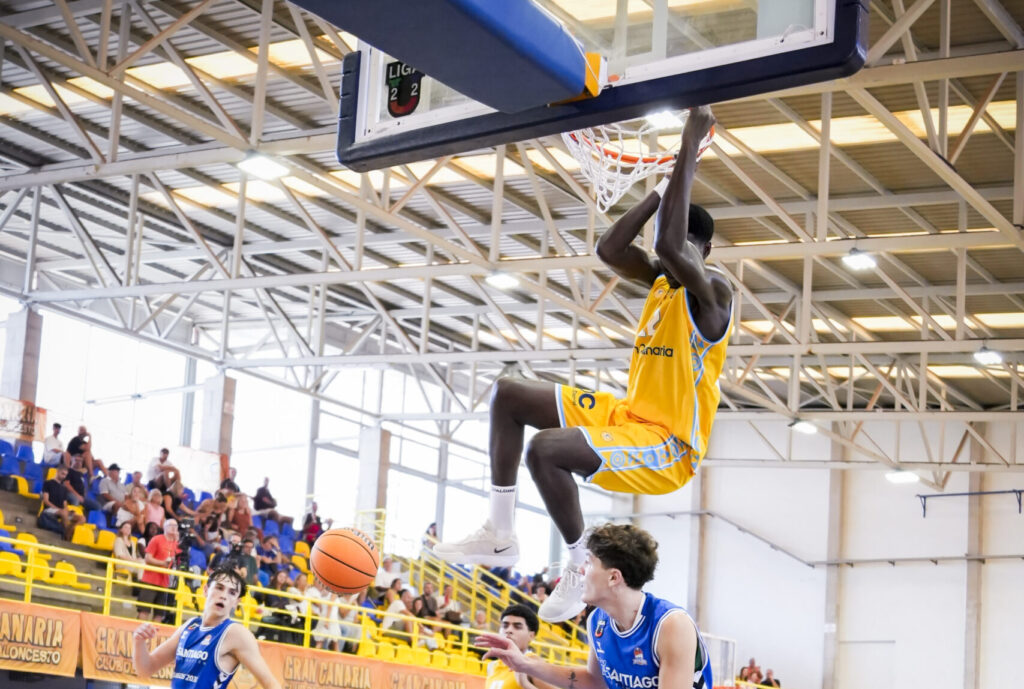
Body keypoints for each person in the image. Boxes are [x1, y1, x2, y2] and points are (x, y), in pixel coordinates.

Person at [435, 107, 732, 623]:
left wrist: (690, 144)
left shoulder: (715, 294)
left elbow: (667, 243)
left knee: (545, 449)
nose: (670, 253)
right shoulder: (661, 280)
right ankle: (500, 532)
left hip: (669, 446)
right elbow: (609, 248)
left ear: (704, 250)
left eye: (685, 245)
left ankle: (578, 569)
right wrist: (660, 190)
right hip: (629, 416)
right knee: (508, 393)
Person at [476, 523, 713, 689]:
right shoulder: (597, 621)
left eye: (588, 563)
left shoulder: (671, 624)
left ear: (613, 577)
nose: (580, 570)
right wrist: (525, 663)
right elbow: (594, 681)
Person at [133, 565, 280, 689]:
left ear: (236, 602)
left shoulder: (235, 633)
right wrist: (138, 641)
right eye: (219, 588)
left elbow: (271, 684)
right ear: (205, 590)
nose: (224, 596)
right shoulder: (190, 626)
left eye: (232, 593)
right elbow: (145, 669)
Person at [484, 605, 556, 689]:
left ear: (531, 636)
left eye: (517, 627)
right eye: (505, 626)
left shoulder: (533, 663)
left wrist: (525, 684)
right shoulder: (492, 666)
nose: (509, 630)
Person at [137, 519, 181, 621]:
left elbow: (178, 562)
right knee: (144, 610)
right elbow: (148, 558)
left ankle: (154, 631)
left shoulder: (176, 544)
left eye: (176, 526)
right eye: (171, 525)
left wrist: (178, 542)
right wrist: (162, 563)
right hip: (151, 579)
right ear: (165, 527)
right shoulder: (157, 539)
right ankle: (140, 629)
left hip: (165, 582)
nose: (174, 528)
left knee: (160, 614)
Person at [38, 464, 85, 539]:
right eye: (62, 473)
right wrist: (59, 509)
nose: (64, 476)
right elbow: (46, 500)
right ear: (57, 472)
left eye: (65, 475)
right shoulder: (48, 483)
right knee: (63, 512)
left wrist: (68, 511)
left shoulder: (63, 488)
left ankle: (69, 531)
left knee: (82, 518)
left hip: (61, 511)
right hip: (49, 510)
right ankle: (67, 536)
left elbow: (64, 504)